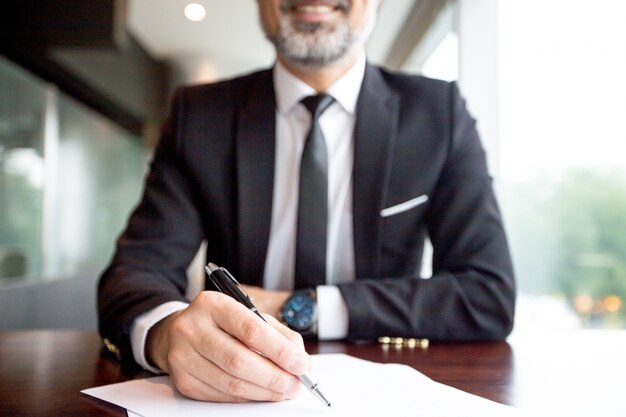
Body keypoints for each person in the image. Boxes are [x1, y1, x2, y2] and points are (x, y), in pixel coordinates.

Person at [98, 0, 515, 404]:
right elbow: (135, 273)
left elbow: (487, 293)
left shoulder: (438, 113)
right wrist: (167, 334)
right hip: (233, 395)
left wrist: (305, 307)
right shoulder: (200, 115)